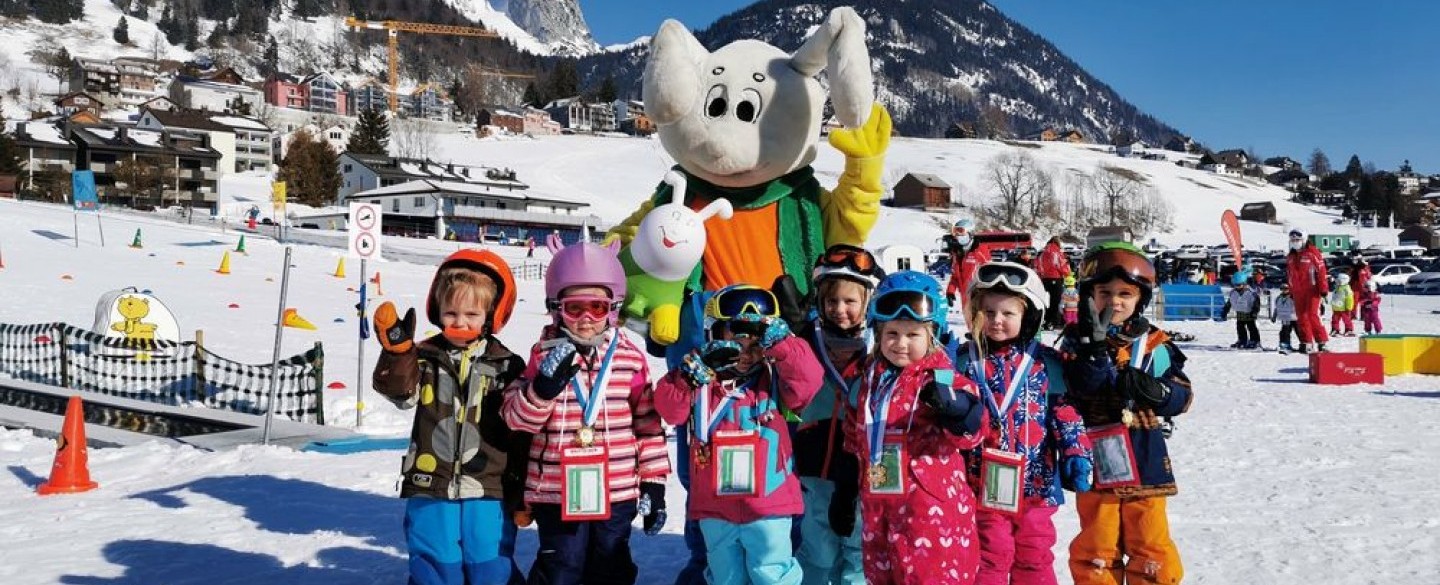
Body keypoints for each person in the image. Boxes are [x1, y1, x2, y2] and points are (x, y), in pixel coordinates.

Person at [501, 239, 670, 585]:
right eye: (574, 308)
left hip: (617, 488)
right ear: (555, 308)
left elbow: (648, 425)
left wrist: (653, 483)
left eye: (597, 306)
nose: (587, 319)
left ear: (613, 308)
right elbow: (516, 420)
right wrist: (540, 391)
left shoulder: (630, 359)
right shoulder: (541, 357)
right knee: (561, 567)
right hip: (556, 489)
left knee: (610, 564)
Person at [371, 249, 528, 585]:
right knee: (434, 556)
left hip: (489, 483)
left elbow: (522, 429)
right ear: (437, 310)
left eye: (472, 313)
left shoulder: (507, 365)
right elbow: (402, 394)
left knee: (489, 558)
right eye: (451, 312)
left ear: (492, 314)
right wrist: (398, 355)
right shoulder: (424, 356)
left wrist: (522, 487)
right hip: (431, 481)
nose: (460, 322)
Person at [654, 284, 822, 585]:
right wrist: (688, 376)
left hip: (769, 506)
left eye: (756, 343)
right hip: (715, 507)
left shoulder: (775, 378)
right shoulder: (699, 379)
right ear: (714, 335)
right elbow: (670, 411)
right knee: (725, 577)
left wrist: (783, 344)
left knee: (773, 573)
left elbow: (809, 382)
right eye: (736, 340)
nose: (746, 352)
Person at [1059, 242, 1194, 585]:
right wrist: (1094, 350)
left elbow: (1184, 394)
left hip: (1143, 454)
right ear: (1090, 294)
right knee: (1097, 542)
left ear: (1139, 300)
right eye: (1105, 292)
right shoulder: (1075, 341)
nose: (1114, 301)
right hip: (1096, 456)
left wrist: (1159, 392)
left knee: (1149, 539)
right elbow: (1078, 388)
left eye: (1124, 294)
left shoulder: (1154, 344)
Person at [840, 271, 986, 585]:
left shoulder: (941, 378)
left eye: (912, 335)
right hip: (879, 505)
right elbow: (854, 434)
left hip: (929, 514)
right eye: (892, 333)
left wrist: (957, 410)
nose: (900, 344)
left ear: (932, 335)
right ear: (878, 333)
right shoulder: (869, 379)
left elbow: (975, 429)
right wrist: (846, 488)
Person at [955, 262, 1093, 585]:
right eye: (988, 312)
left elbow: (1065, 413)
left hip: (1037, 484)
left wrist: (1076, 455)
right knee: (990, 553)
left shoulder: (1046, 363)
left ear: (1029, 315)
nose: (997, 321)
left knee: (1034, 555)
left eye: (1007, 313)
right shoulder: (963, 360)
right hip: (982, 485)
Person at [793, 245, 885, 585]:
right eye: (832, 302)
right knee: (817, 547)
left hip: (866, 468)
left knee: (860, 548)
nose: (840, 310)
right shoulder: (805, 340)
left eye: (850, 301)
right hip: (817, 463)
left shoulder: (882, 345)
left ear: (868, 302)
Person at [1285, 228, 1330, 353]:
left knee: (1312, 314)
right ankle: (1306, 342)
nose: (1295, 242)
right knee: (1301, 317)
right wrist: (1291, 289)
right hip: (1298, 290)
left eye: (1297, 240)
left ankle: (1322, 342)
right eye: (1293, 240)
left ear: (1304, 240)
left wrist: (1323, 289)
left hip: (1312, 289)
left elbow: (1321, 271)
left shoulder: (1312, 253)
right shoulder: (1291, 256)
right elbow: (1289, 274)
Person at [1035, 237, 1072, 330]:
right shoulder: (1056, 253)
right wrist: (1068, 274)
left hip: (1044, 280)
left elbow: (1037, 266)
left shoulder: (1042, 253)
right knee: (1055, 302)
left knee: (1045, 301)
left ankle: (1044, 320)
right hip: (1056, 279)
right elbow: (1062, 265)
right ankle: (1053, 322)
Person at [1221, 272, 1262, 349]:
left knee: (1251, 327)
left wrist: (1255, 312)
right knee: (1240, 327)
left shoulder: (1251, 293)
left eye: (1239, 285)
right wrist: (1225, 311)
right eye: (1235, 285)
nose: (1237, 287)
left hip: (1249, 313)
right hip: (1239, 312)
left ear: (1244, 284)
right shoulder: (1233, 293)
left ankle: (1255, 341)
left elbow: (1256, 303)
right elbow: (1229, 302)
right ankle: (1242, 340)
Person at [1270, 283, 1298, 353]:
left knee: (1298, 331)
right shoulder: (1278, 298)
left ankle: (1305, 344)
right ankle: (1284, 344)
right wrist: (1274, 316)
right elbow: (1277, 308)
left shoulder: (1293, 297)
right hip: (1285, 318)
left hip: (1294, 317)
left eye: (1286, 289)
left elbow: (1299, 306)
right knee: (1284, 331)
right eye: (1282, 289)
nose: (1284, 291)